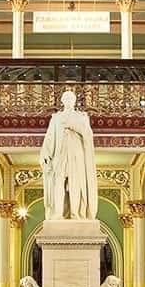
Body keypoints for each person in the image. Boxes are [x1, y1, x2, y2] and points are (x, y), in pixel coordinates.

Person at [40, 90, 98, 220]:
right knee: (58, 183)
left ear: (74, 101)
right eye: (66, 99)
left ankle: (75, 214)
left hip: (76, 155)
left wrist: (73, 126)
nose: (68, 101)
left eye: (71, 99)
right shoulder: (56, 118)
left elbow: (88, 135)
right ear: (62, 101)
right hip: (60, 154)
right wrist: (46, 153)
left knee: (75, 184)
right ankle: (57, 214)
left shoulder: (81, 117)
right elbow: (49, 137)